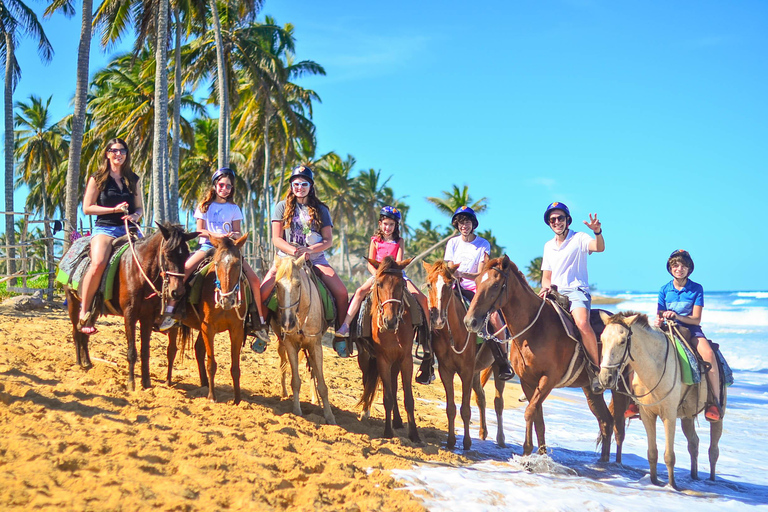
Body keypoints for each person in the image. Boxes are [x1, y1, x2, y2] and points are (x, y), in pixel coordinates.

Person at [158, 168, 269, 344]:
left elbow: (237, 232)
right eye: (221, 185)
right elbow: (199, 230)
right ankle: (171, 311)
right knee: (184, 270)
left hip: (228, 249)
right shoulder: (204, 206)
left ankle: (258, 321)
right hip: (208, 247)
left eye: (228, 186)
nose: (224, 189)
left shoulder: (234, 208)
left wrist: (232, 235)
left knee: (254, 280)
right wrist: (215, 236)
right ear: (215, 185)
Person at [626, 250, 721, 421]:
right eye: (675, 265)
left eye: (684, 266)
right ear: (670, 268)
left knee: (708, 354)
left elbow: (696, 319)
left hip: (690, 329)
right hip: (666, 329)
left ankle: (714, 402)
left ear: (689, 269)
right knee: (638, 351)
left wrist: (677, 316)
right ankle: (634, 400)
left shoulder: (696, 288)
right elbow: (659, 315)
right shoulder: (664, 289)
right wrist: (658, 320)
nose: (679, 269)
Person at [260, 165, 349, 343]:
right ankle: (260, 328)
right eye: (296, 184)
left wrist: (310, 250)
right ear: (291, 186)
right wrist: (294, 251)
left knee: (342, 292)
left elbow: (328, 240)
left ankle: (341, 336)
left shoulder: (321, 209)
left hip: (315, 258)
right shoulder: (281, 207)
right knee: (263, 290)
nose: (299, 188)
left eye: (304, 184)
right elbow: (276, 239)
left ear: (311, 186)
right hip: (287, 258)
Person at [430, 205, 514, 382]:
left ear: (473, 224)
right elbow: (450, 268)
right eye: (460, 223)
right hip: (454, 286)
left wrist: (464, 275)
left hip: (475, 288)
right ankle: (428, 359)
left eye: (467, 222)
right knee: (432, 310)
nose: (464, 226)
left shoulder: (483, 244)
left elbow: (482, 273)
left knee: (494, 318)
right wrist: (453, 276)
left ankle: (503, 361)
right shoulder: (452, 243)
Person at [334, 206, 431, 358]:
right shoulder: (375, 241)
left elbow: (398, 262)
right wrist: (378, 276)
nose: (388, 228)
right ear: (380, 224)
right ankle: (346, 325)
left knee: (423, 299)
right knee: (359, 292)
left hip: (397, 275)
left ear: (396, 226)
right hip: (378, 275)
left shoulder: (399, 241)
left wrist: (394, 276)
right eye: (385, 224)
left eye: (391, 225)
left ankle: (427, 337)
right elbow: (369, 263)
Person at [77, 138, 143, 334]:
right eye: (114, 150)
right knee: (98, 263)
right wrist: (114, 209)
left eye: (122, 150)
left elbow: (139, 208)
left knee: (150, 262)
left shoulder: (133, 179)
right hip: (105, 229)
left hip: (128, 229)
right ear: (107, 154)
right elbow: (87, 208)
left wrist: (135, 215)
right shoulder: (98, 178)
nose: (119, 154)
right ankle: (85, 311)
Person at [539, 202, 604, 392]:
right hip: (554, 292)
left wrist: (598, 232)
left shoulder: (580, 238)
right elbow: (546, 278)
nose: (557, 222)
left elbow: (598, 248)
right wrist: (546, 288)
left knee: (583, 324)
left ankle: (595, 371)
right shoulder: (548, 246)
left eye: (560, 218)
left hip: (577, 291)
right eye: (553, 219)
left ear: (567, 220)